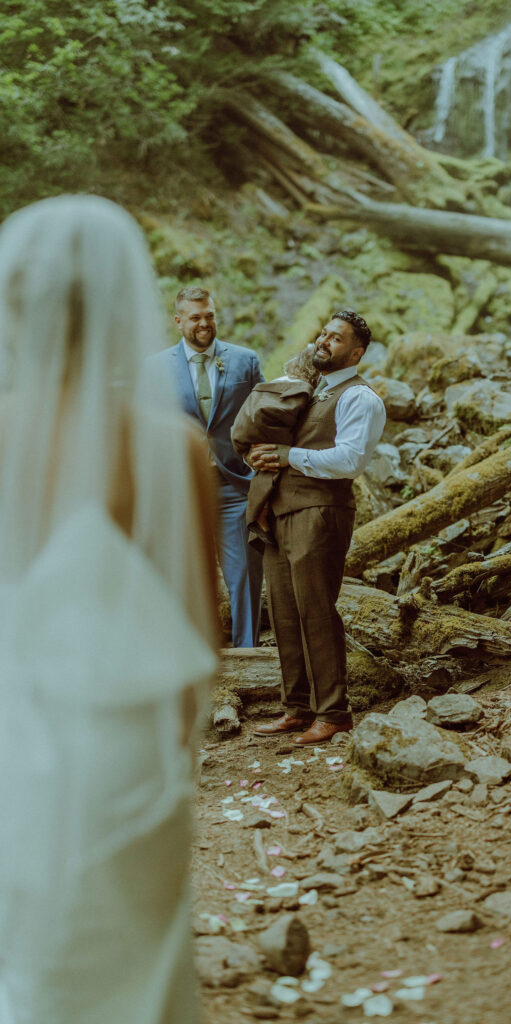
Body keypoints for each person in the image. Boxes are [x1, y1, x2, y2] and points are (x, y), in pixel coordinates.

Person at [0, 195, 219, 1023]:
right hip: (127, 745)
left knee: (31, 960)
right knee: (138, 962)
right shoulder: (174, 448)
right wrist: (178, 744)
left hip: (15, 735)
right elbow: (200, 624)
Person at [251, 311, 386, 745]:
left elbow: (350, 460)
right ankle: (298, 708)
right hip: (281, 512)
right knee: (285, 615)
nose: (324, 341)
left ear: (356, 352)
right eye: (323, 334)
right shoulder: (307, 389)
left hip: (321, 512)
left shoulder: (360, 399)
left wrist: (288, 456)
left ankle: (334, 713)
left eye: (337, 338)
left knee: (316, 611)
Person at [149, 286, 264, 647]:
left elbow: (263, 416)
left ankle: (247, 652)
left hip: (234, 482)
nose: (204, 323)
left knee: (243, 572)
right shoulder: (154, 368)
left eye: (209, 315)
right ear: (178, 320)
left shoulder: (245, 360)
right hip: (181, 486)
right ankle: (190, 650)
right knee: (185, 571)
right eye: (196, 317)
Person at [231, 344, 320, 547]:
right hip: (269, 428)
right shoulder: (302, 389)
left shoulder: (277, 381)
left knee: (265, 465)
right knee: (271, 463)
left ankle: (258, 513)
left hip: (248, 428)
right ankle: (258, 512)